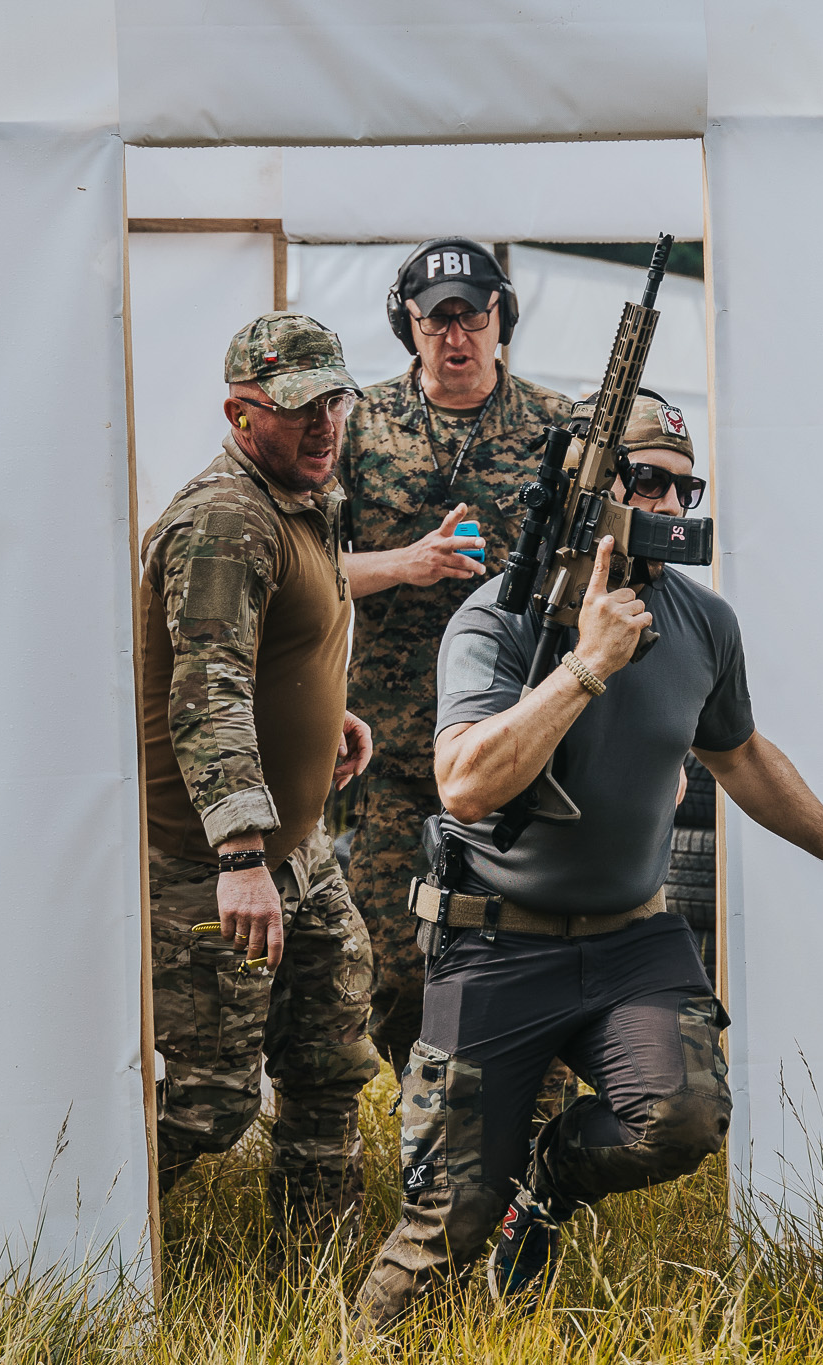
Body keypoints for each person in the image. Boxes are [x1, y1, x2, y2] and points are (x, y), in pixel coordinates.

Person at [351, 396, 823, 1330]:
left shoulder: (702, 622)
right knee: (443, 1224)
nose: (674, 503)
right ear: (595, 489)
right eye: (650, 481)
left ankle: (544, 1183)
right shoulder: (497, 622)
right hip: (495, 943)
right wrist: (586, 664)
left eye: (686, 486)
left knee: (686, 1116)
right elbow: (463, 785)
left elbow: (735, 750)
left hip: (631, 941)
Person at [139, 313, 381, 1261]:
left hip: (301, 845)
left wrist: (328, 719)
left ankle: (312, 1276)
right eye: (297, 408)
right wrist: (240, 857)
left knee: (330, 1058)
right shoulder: (225, 518)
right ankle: (57, 1224)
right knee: (209, 1099)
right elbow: (208, 686)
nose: (324, 423)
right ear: (241, 414)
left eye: (334, 400)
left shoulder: (300, 497)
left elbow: (281, 643)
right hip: (215, 860)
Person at [334, 237, 574, 1083]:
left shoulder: (558, 427)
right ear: (410, 327)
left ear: (501, 318)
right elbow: (306, 573)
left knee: (531, 964)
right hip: (400, 751)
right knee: (394, 972)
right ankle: (424, 1124)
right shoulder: (360, 426)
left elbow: (607, 573)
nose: (456, 335)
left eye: (472, 315)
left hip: (522, 745)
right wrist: (404, 562)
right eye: (437, 319)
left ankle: (523, 1156)